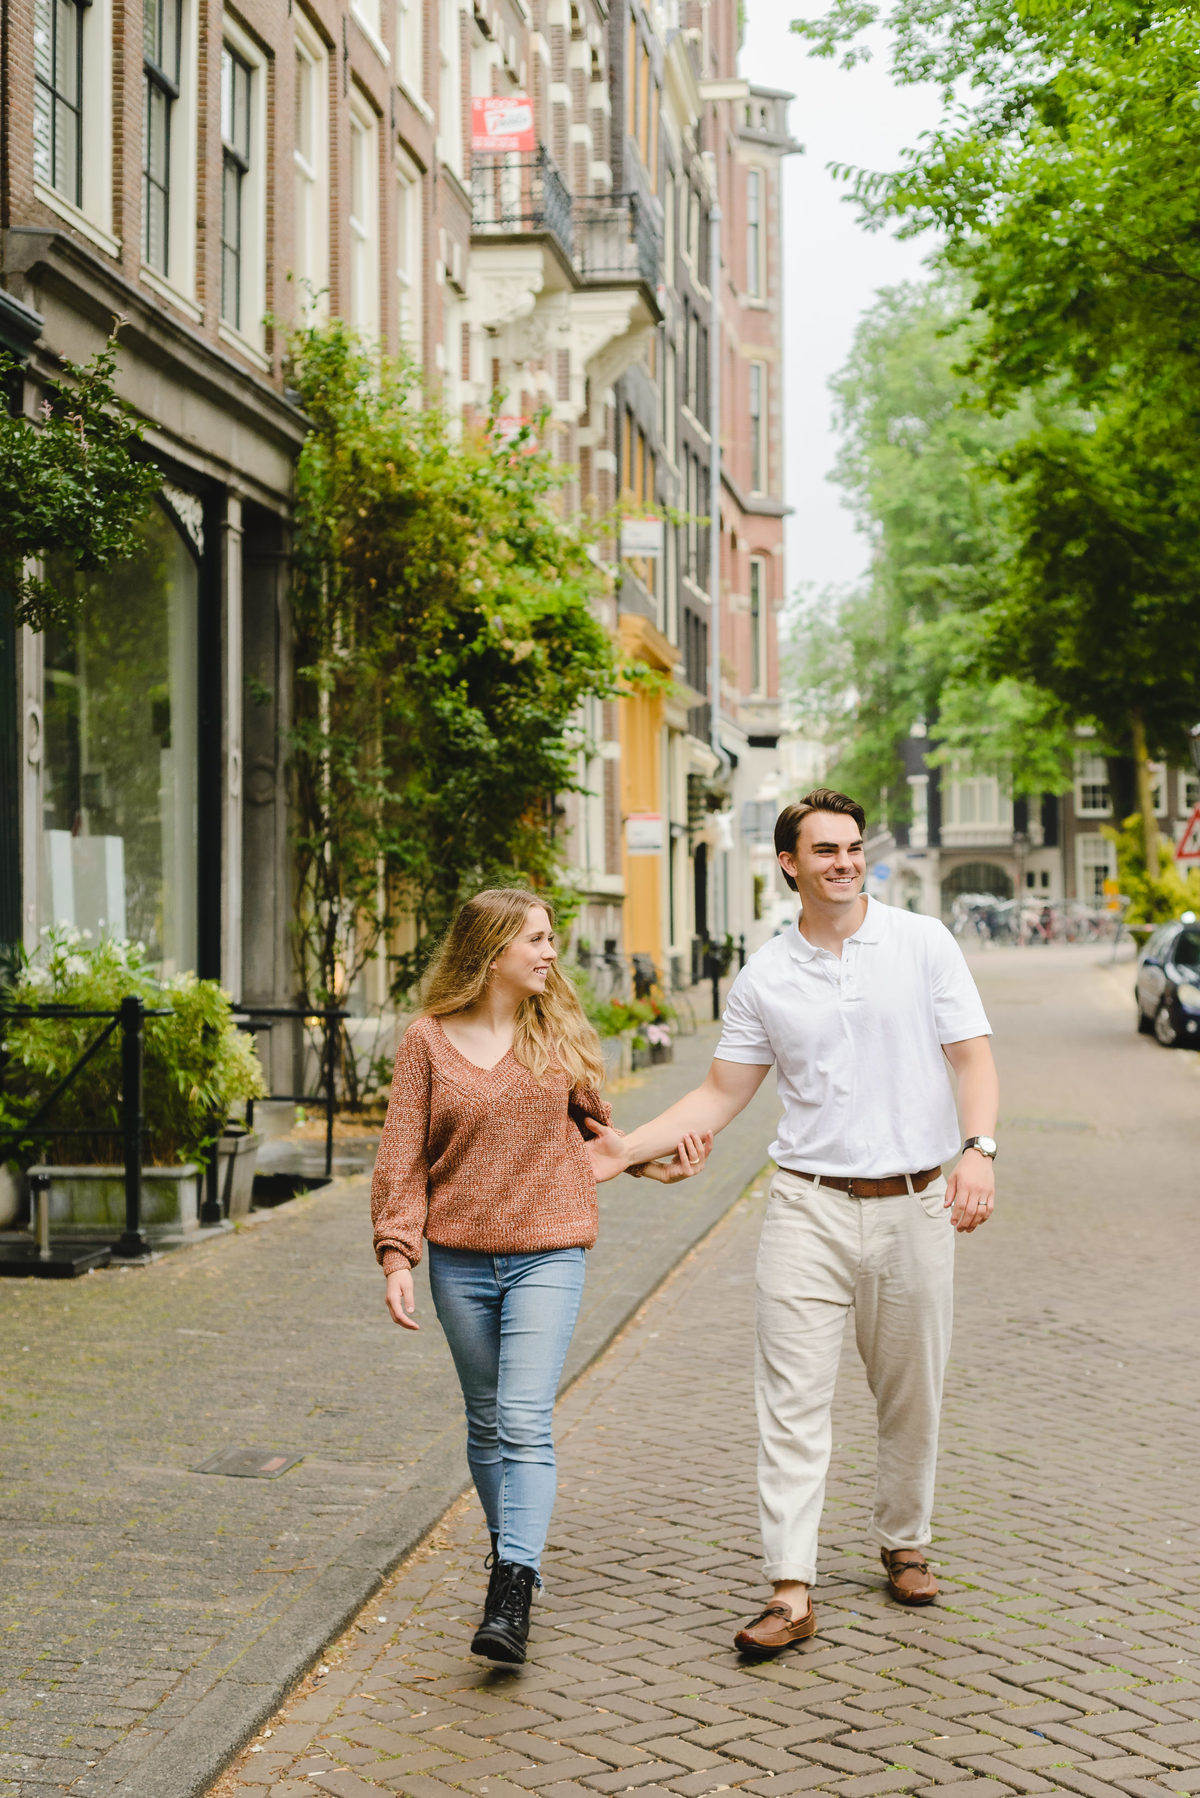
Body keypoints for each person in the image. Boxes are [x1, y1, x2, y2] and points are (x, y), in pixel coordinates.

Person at [585, 789, 998, 1656]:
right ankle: (789, 1587)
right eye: (825, 851)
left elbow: (972, 1058)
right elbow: (720, 1093)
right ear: (789, 864)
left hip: (915, 1199)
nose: (844, 862)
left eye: (853, 848)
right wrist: (621, 1150)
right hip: (806, 1205)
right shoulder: (766, 974)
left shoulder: (923, 944)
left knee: (910, 1390)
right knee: (791, 1402)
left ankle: (904, 1540)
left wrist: (980, 1150)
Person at [371, 887, 710, 1665]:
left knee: (523, 1418)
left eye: (551, 938)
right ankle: (508, 1556)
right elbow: (401, 1157)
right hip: (458, 1259)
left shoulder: (555, 1037)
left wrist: (658, 1168)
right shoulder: (426, 1042)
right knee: (486, 1421)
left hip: (550, 1251)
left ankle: (512, 1589)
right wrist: (398, 1253)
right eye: (538, 939)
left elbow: (602, 1138)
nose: (552, 952)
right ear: (491, 950)